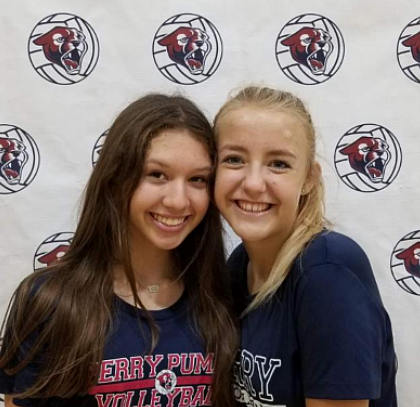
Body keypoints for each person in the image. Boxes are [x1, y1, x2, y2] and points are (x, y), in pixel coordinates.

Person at [0, 94, 237, 407]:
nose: (178, 200)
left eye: (197, 179)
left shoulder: (222, 299)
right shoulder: (50, 302)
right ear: (116, 179)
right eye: (157, 175)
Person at [213, 86, 397, 407]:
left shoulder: (328, 273)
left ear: (309, 178)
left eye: (278, 164)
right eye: (234, 159)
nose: (253, 183)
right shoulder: (238, 266)